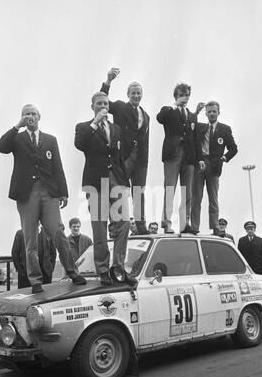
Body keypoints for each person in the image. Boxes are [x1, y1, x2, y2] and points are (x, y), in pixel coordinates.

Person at [0, 104, 86, 294]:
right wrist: (17, 126)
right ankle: (35, 280)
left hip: (48, 191)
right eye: (27, 114)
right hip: (26, 193)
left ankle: (72, 271)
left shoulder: (50, 140)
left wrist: (63, 192)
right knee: (30, 238)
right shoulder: (17, 138)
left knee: (58, 232)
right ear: (22, 117)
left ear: (39, 117)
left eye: (33, 113)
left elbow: (58, 166)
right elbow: (0, 147)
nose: (30, 116)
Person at [74, 91, 137, 286]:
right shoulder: (84, 127)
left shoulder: (116, 128)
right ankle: (102, 270)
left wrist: (125, 182)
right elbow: (80, 144)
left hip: (116, 180)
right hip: (96, 182)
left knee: (123, 223)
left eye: (106, 103)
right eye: (99, 103)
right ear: (92, 106)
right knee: (99, 228)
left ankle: (118, 267)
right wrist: (94, 124)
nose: (103, 106)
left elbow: (118, 158)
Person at [100, 68, 150, 235]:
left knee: (139, 193)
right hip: (123, 156)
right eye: (133, 93)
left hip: (140, 160)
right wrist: (108, 81)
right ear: (128, 94)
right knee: (118, 191)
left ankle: (141, 226)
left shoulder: (146, 115)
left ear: (141, 95)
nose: (136, 96)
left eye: (138, 93)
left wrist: (145, 161)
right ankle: (114, 227)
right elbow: (103, 101)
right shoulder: (121, 107)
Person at [157, 82, 204, 235]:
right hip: (173, 154)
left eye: (187, 95)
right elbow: (160, 118)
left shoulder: (191, 116)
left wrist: (200, 158)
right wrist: (175, 104)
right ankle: (167, 223)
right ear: (176, 96)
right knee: (170, 188)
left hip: (189, 157)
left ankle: (185, 223)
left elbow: (196, 138)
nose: (185, 98)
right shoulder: (168, 110)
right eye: (181, 95)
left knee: (187, 192)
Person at [191, 101, 238, 236]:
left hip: (215, 165)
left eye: (214, 111)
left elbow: (234, 148)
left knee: (213, 198)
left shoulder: (225, 129)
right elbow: (191, 124)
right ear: (206, 113)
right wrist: (196, 111)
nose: (211, 113)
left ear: (218, 112)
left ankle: (215, 226)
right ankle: (194, 227)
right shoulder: (200, 127)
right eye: (209, 111)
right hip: (200, 164)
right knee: (196, 197)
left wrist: (225, 157)